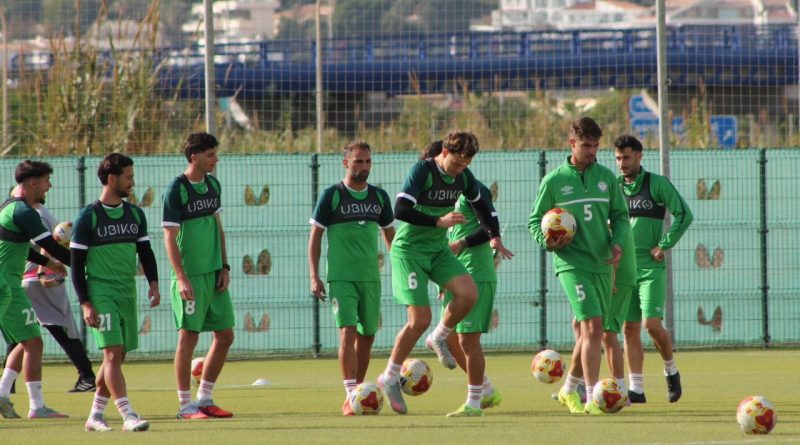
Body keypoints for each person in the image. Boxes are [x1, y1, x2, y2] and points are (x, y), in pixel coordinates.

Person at [377, 130, 510, 418]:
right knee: (420, 319)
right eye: (458, 162)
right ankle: (389, 376)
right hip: (410, 251)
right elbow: (401, 209)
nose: (461, 169)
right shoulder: (423, 170)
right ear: (445, 152)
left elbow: (483, 208)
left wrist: (494, 236)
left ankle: (439, 335)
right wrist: (438, 221)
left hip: (438, 251)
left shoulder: (463, 176)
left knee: (469, 293)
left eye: (466, 164)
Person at [529, 117, 629, 414]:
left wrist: (617, 243)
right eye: (586, 145)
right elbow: (535, 221)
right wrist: (548, 242)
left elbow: (620, 216)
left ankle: (569, 388)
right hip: (571, 263)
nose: (592, 151)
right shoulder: (554, 180)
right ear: (572, 143)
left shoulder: (606, 178)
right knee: (593, 326)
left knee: (591, 332)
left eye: (596, 145)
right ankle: (592, 398)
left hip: (602, 262)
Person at [422, 140, 513, 414]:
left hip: (476, 272)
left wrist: (462, 244)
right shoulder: (443, 196)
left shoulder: (474, 189)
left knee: (467, 340)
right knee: (450, 339)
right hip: (455, 275)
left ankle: (474, 402)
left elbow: (489, 227)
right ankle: (486, 390)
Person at [308, 140, 395, 416]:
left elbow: (390, 234)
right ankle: (350, 395)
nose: (364, 166)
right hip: (341, 278)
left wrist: (400, 267)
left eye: (367, 161)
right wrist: (314, 275)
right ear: (346, 163)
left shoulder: (379, 197)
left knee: (367, 336)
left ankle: (359, 391)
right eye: (358, 161)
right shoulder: (332, 195)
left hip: (370, 278)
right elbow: (315, 237)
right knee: (347, 331)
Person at [72, 153, 159, 432]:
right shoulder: (88, 216)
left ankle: (95, 415)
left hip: (127, 294)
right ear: (112, 178)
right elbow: (77, 265)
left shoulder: (135, 214)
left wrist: (153, 283)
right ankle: (127, 415)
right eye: (128, 177)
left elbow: (145, 251)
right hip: (101, 293)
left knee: (117, 357)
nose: (132, 182)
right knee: (111, 354)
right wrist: (85, 303)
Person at [614, 134, 693, 403]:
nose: (622, 163)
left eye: (626, 157)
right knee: (629, 329)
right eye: (618, 158)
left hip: (650, 268)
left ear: (639, 156)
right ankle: (636, 389)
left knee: (651, 325)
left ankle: (671, 371)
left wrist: (664, 244)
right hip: (624, 268)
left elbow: (684, 214)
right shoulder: (613, 187)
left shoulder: (657, 183)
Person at [163, 132, 235, 420]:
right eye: (210, 155)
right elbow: (169, 236)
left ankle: (204, 398)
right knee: (188, 337)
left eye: (215, 154)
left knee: (226, 335)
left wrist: (224, 266)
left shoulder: (213, 184)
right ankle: (185, 405)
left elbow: (218, 226)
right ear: (194, 157)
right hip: (190, 276)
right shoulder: (177, 189)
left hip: (214, 274)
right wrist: (181, 277)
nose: (215, 159)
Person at [0, 160, 71, 420]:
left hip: (10, 286)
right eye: (46, 181)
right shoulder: (22, 211)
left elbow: (23, 246)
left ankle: (22, 401)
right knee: (30, 342)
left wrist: (48, 263)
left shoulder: (11, 207)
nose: (49, 186)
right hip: (2, 285)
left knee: (30, 341)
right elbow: (51, 245)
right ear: (32, 183)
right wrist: (85, 265)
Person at [14, 188, 96, 393]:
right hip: (37, 280)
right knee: (60, 329)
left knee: (25, 333)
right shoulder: (34, 214)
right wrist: (43, 272)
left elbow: (50, 242)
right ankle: (87, 376)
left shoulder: (34, 214)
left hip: (35, 279)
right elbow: (50, 242)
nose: (48, 185)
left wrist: (43, 271)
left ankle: (8, 384)